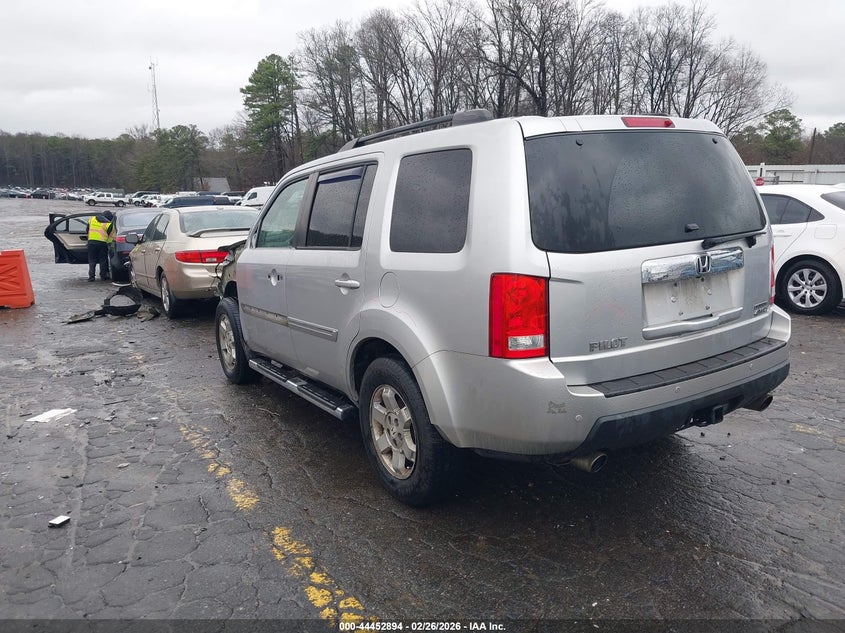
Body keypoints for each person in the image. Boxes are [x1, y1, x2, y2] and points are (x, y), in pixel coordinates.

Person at [86, 210, 115, 281]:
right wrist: (109, 245)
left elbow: (87, 230)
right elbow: (111, 237)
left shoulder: (92, 219)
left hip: (91, 243)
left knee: (92, 260)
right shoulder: (109, 224)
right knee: (103, 260)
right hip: (102, 244)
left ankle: (91, 277)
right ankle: (103, 276)